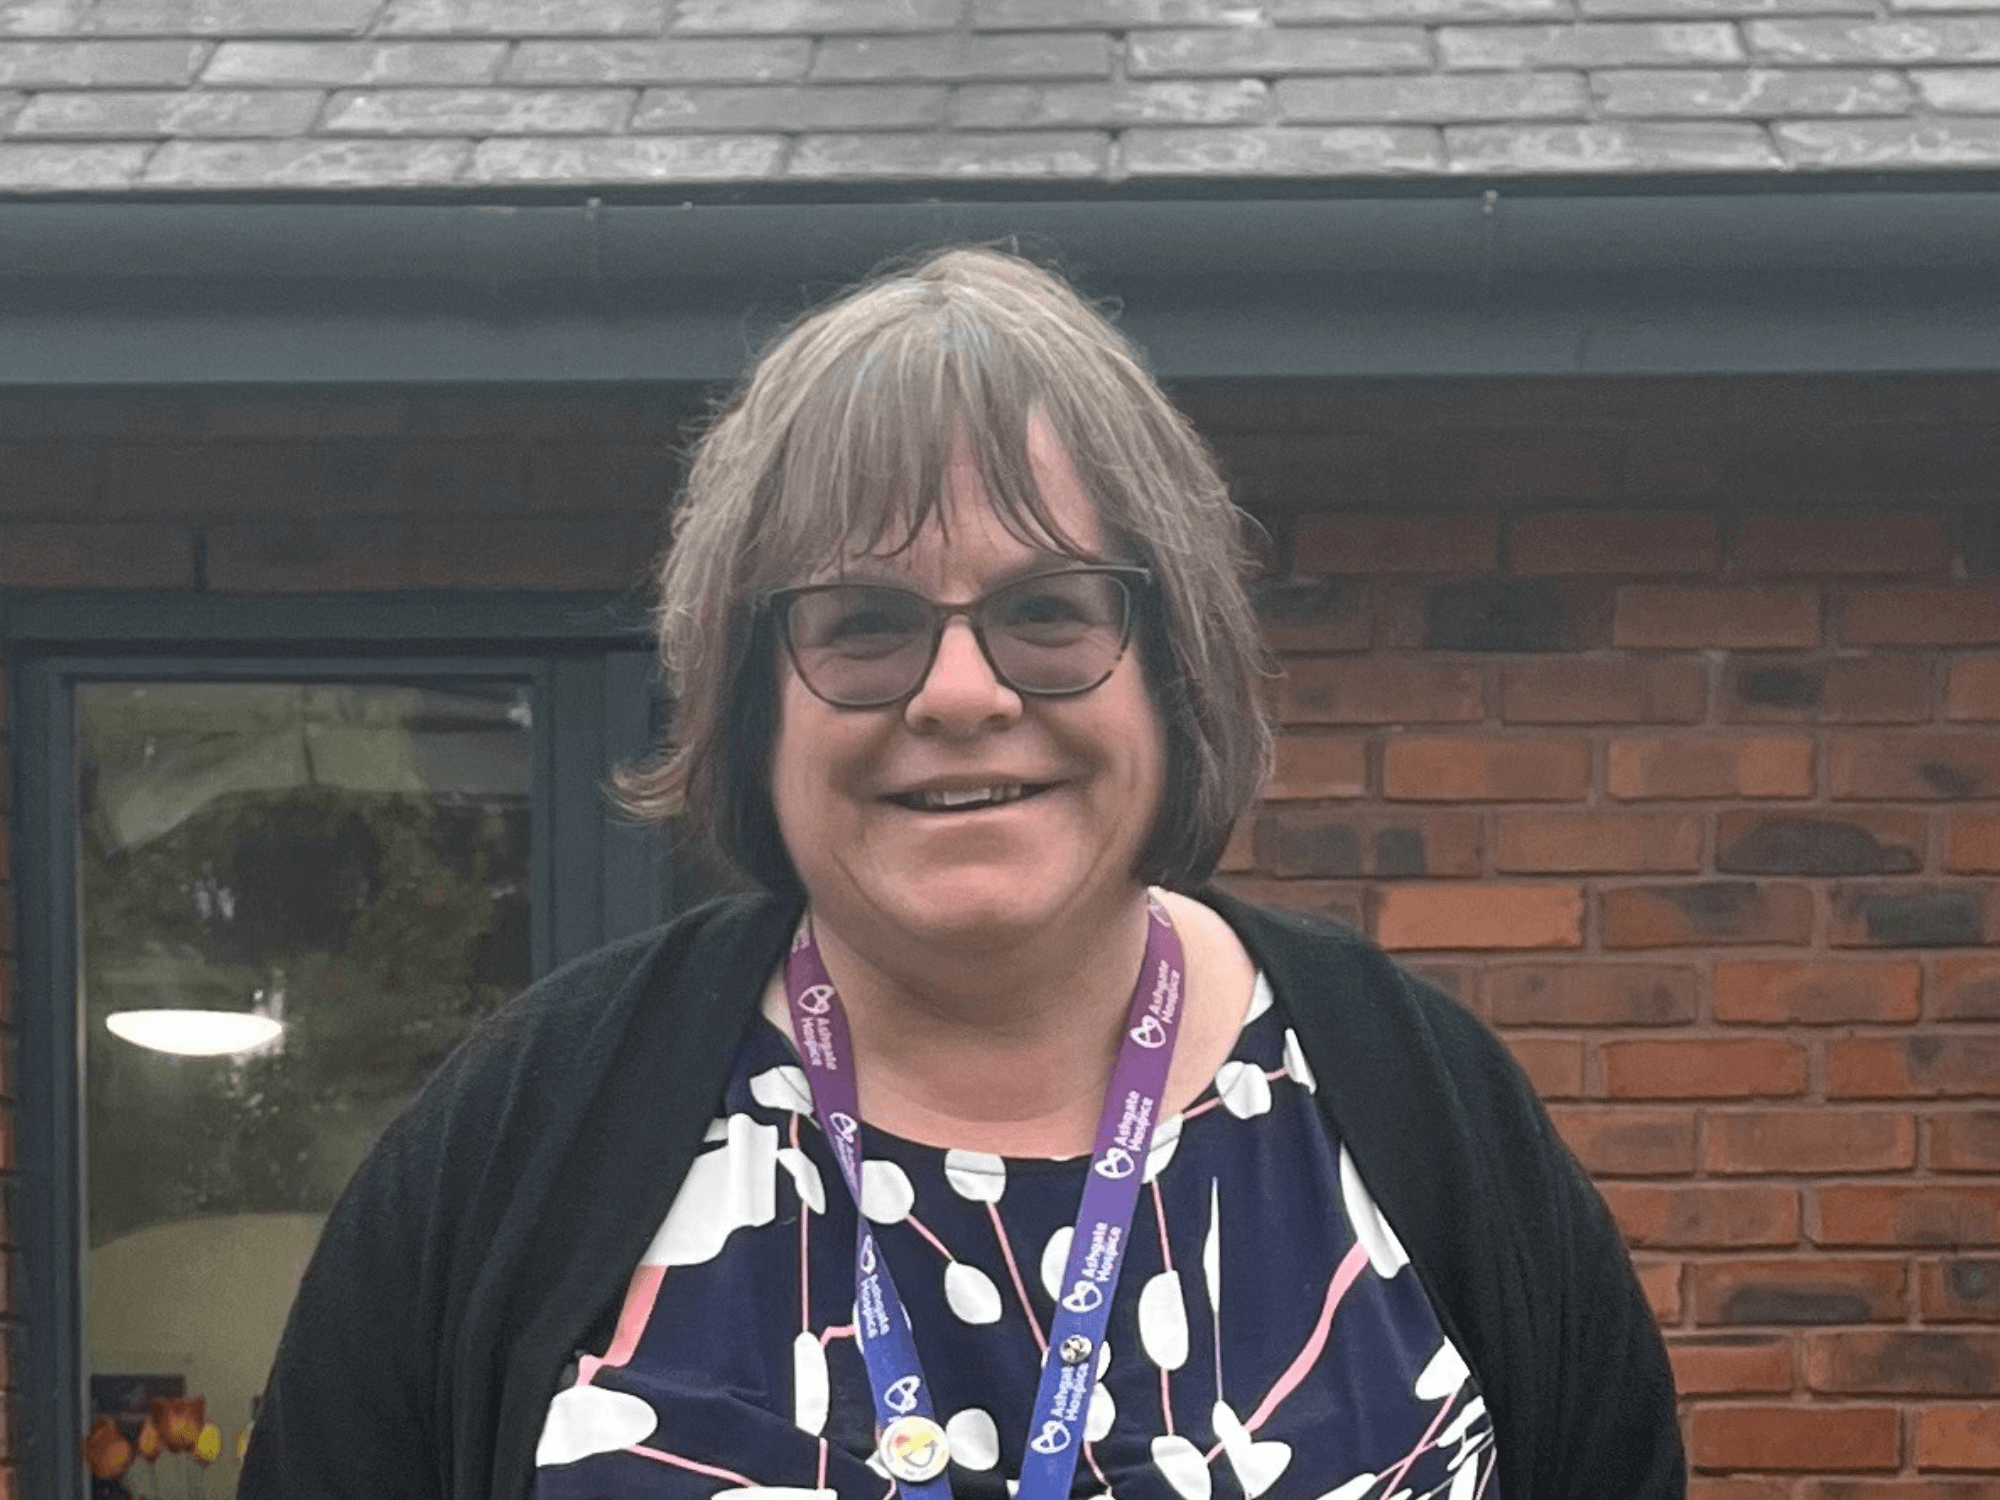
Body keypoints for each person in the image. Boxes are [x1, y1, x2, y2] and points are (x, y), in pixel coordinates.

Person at [242, 247, 1683, 1500]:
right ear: (756, 700)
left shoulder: (1426, 1114)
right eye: (864, 622)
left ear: (1172, 665)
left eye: (1047, 610)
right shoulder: (525, 1133)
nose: (958, 692)